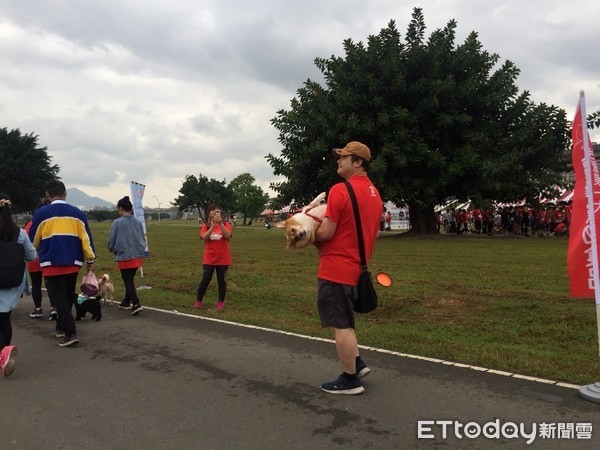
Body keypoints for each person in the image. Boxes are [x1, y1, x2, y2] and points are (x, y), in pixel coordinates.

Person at [314, 141, 382, 395]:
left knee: (340, 323)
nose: (338, 160)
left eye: (344, 157)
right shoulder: (374, 193)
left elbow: (327, 231)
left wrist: (307, 233)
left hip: (336, 267)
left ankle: (349, 379)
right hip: (358, 267)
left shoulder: (340, 190)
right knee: (346, 319)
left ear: (358, 162)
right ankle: (358, 363)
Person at [28, 181, 96, 347]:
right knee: (66, 296)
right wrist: (90, 259)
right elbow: (86, 240)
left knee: (58, 299)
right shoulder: (78, 213)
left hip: (51, 262)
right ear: (65, 193)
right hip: (73, 262)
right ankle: (61, 326)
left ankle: (70, 332)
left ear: (47, 195)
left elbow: (33, 239)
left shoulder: (41, 214)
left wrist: (31, 254)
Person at [0, 193, 37, 377]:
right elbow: (32, 256)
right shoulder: (20, 233)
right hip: (12, 283)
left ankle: (3, 351)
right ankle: (5, 351)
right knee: (4, 319)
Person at [107, 196, 147, 315]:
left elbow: (111, 240)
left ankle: (136, 303)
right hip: (137, 255)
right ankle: (126, 301)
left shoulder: (118, 222)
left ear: (120, 208)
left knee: (127, 280)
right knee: (129, 278)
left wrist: (112, 249)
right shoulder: (138, 222)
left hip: (124, 255)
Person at [193, 204, 232, 310]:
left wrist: (220, 224)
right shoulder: (206, 226)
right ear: (209, 213)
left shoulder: (226, 224)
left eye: (218, 211)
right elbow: (204, 237)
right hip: (209, 259)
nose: (215, 213)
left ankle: (220, 302)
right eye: (213, 211)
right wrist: (213, 226)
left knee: (221, 281)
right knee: (205, 280)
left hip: (223, 259)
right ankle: (198, 301)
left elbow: (227, 235)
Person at [24, 200, 57, 320]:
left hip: (33, 258)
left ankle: (38, 309)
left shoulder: (30, 224)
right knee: (51, 284)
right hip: (49, 258)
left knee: (36, 284)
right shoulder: (52, 223)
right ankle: (54, 307)